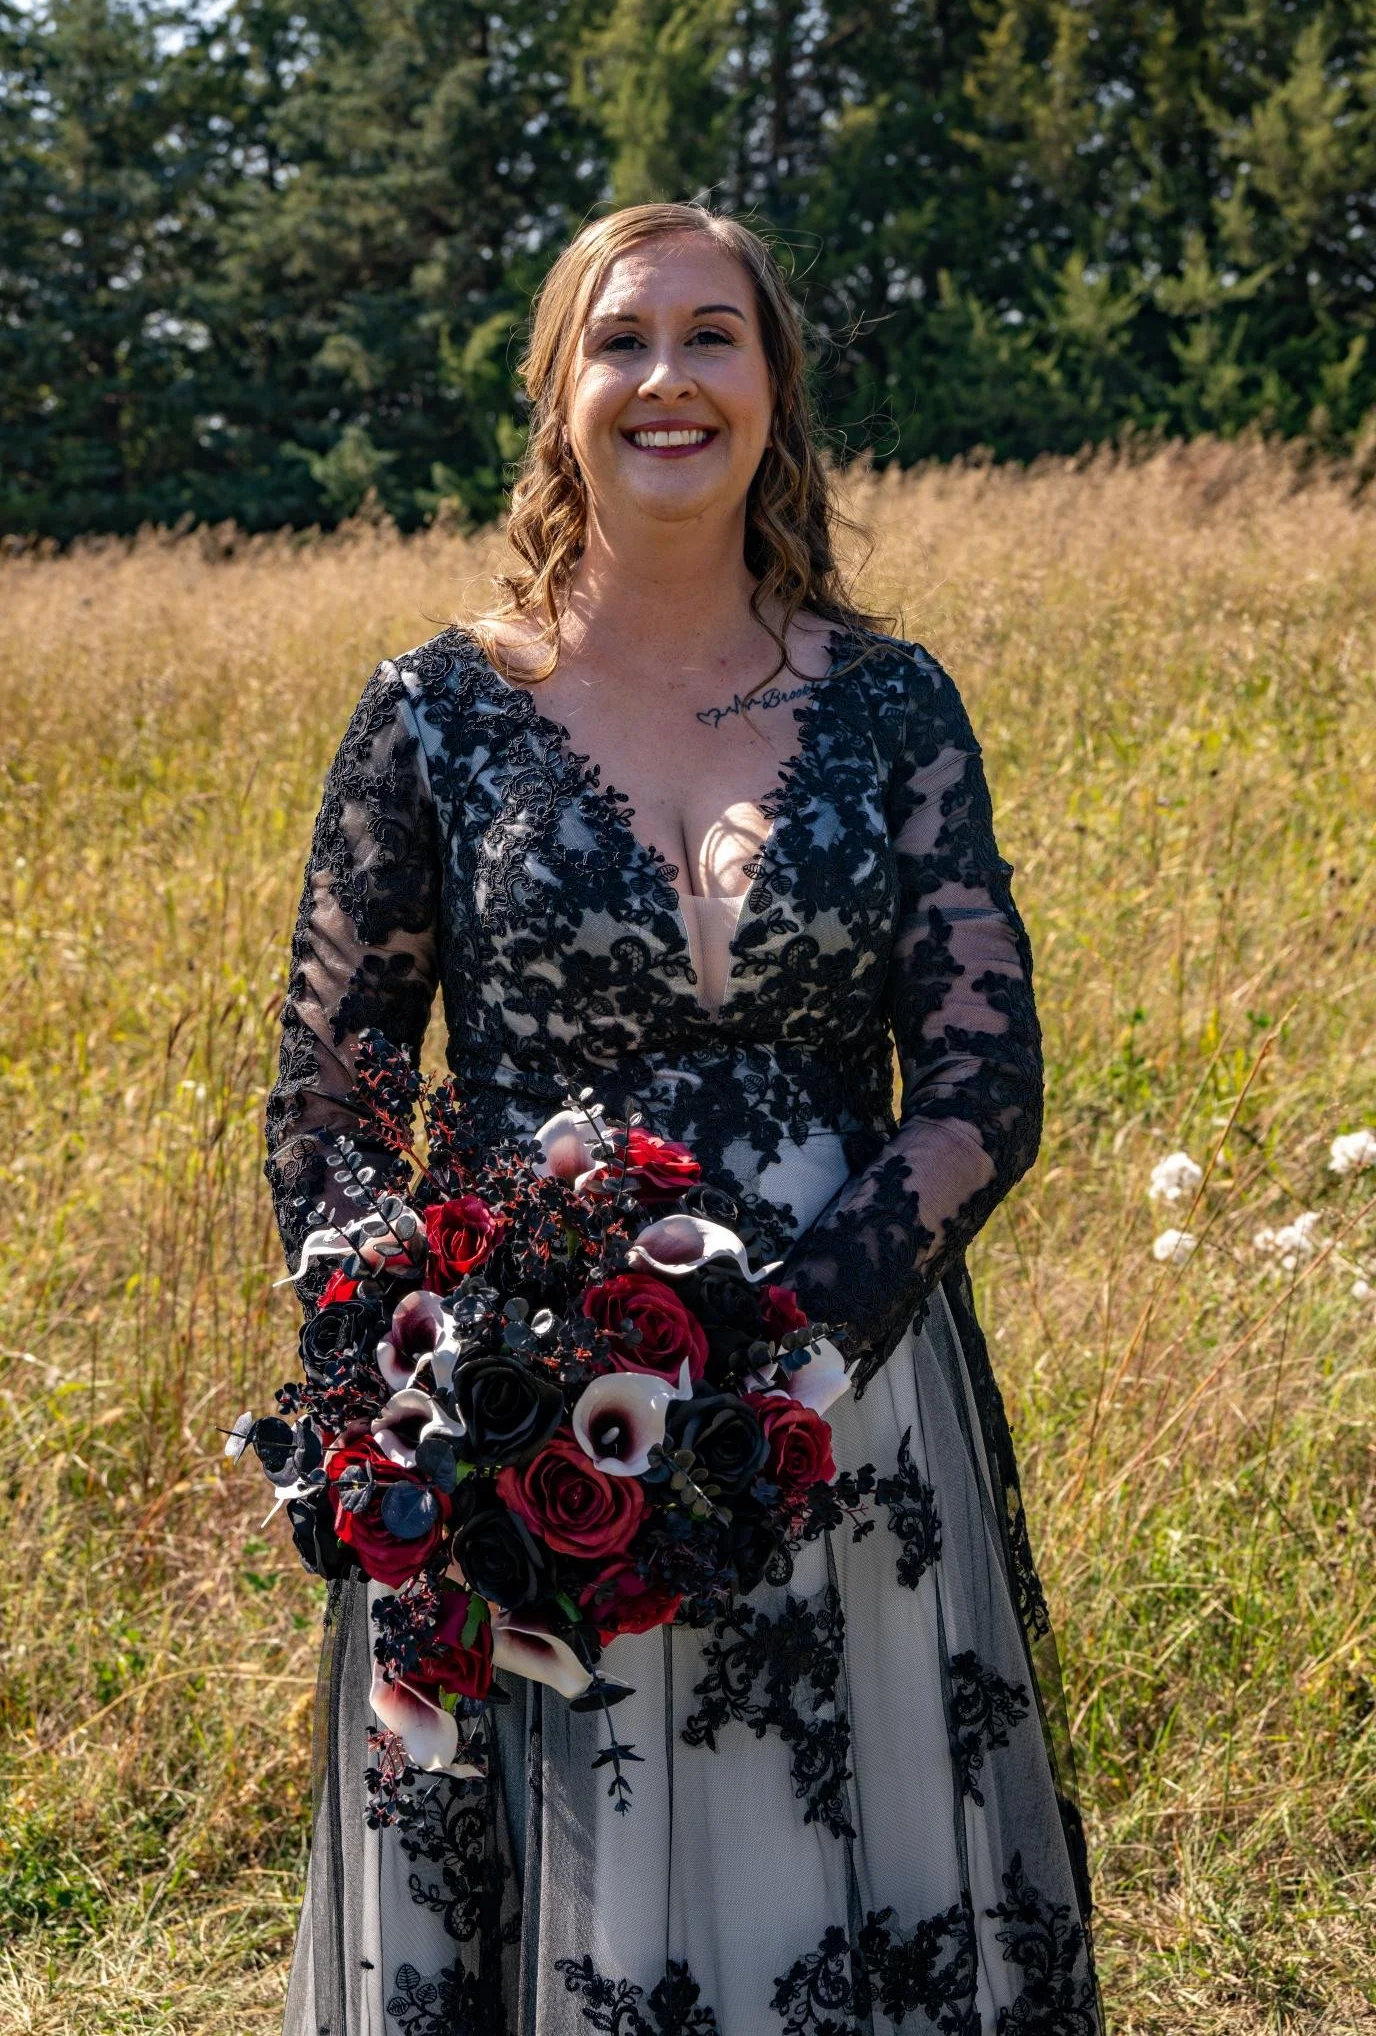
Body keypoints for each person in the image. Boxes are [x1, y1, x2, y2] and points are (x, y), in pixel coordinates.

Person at [266, 201, 1101, 2036]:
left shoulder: (891, 706)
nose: (669, 378)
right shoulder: (434, 713)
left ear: (775, 387)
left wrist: (789, 1354)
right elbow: (333, 1086)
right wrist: (410, 1354)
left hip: (845, 1407)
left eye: (714, 336)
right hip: (514, 1417)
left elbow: (983, 1080)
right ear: (558, 394)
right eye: (623, 339)